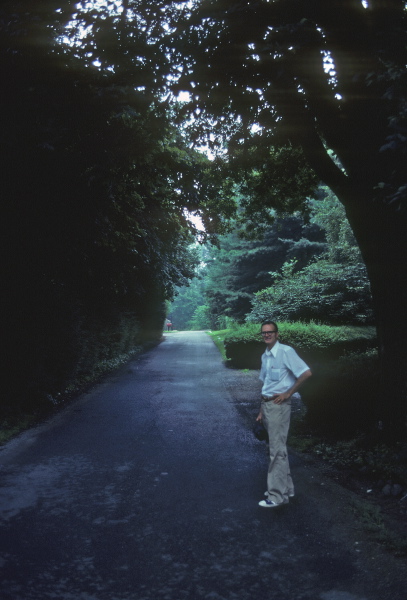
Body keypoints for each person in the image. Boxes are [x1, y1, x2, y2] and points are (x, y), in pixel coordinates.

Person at [256, 321, 312, 508]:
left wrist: (289, 392)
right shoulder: (265, 356)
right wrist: (261, 410)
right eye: (264, 332)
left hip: (279, 406)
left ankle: (276, 496)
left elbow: (306, 373)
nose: (267, 335)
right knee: (276, 448)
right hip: (268, 406)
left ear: (277, 334)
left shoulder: (286, 352)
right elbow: (266, 385)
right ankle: (286, 490)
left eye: (270, 332)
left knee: (276, 452)